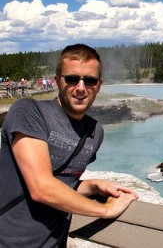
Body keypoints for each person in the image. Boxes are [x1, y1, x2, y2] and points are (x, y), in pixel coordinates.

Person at [0, 44, 138, 247]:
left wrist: (93, 185)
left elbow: (62, 183)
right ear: (57, 81)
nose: (81, 88)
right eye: (72, 79)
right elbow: (41, 188)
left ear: (99, 85)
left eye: (89, 80)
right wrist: (104, 210)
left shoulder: (95, 132)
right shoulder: (29, 111)